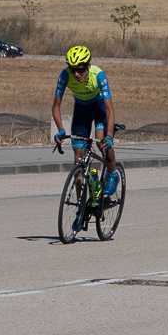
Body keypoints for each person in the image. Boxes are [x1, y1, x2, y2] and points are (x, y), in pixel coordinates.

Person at [51, 45, 119, 217]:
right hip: (81, 112)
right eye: (73, 69)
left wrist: (109, 137)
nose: (76, 74)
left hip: (99, 111)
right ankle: (82, 207)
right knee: (79, 161)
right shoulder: (65, 75)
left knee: (103, 145)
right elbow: (56, 106)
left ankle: (112, 173)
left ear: (88, 66)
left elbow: (110, 110)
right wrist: (60, 130)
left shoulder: (98, 75)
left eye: (80, 70)